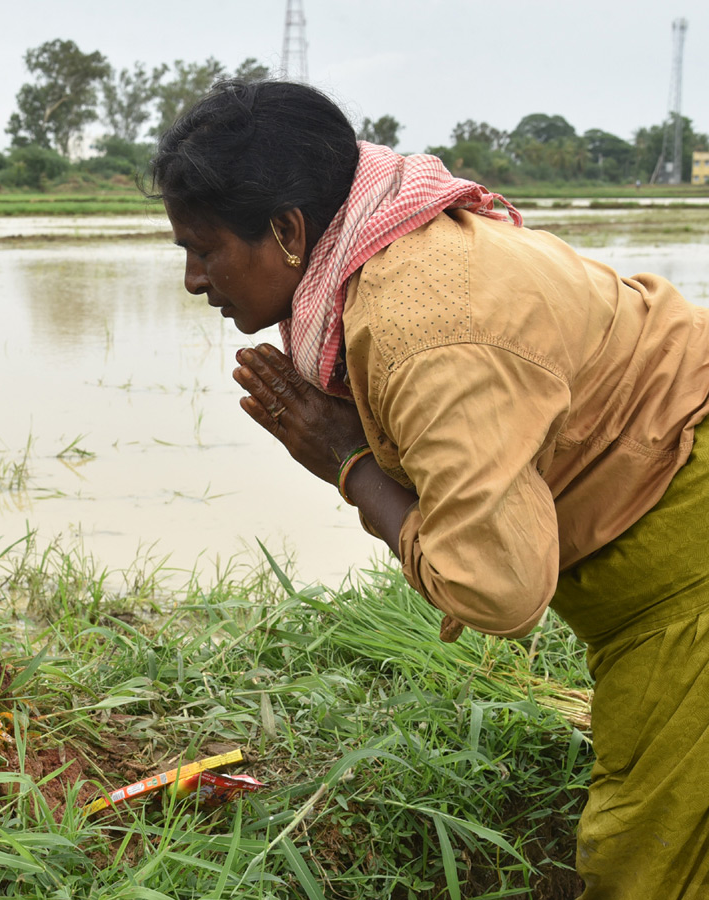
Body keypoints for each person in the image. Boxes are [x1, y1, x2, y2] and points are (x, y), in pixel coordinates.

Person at [152, 79, 709, 898]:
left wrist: (352, 465)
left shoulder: (423, 324)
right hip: (657, 562)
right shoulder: (400, 250)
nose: (196, 280)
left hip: (686, 585)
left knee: (643, 867)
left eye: (203, 249)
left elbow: (502, 588)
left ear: (288, 230)